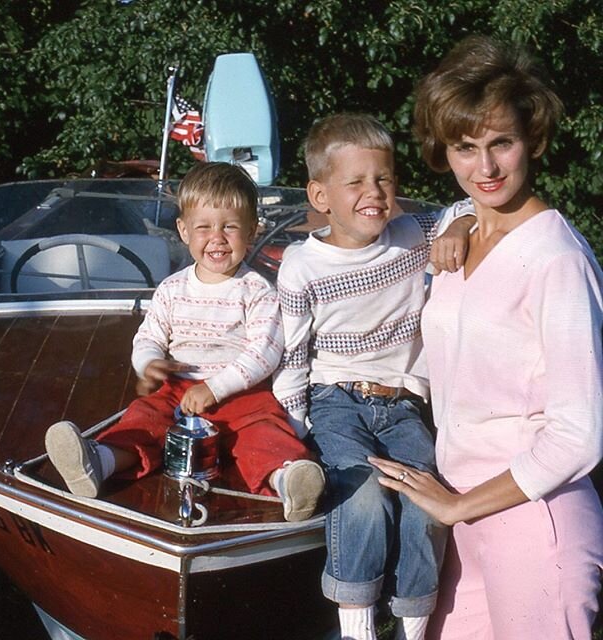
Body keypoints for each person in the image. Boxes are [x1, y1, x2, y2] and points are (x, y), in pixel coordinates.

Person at [370, 35, 603, 640]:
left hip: (534, 519)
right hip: (459, 516)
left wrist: (457, 507)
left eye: (502, 143)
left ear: (533, 140)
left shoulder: (557, 259)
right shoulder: (454, 223)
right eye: (465, 148)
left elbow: (580, 434)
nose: (487, 168)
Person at [272, 113, 476, 640]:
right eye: (357, 181)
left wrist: (456, 226)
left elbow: (471, 202)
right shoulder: (302, 265)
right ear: (321, 196)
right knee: (361, 495)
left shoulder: (412, 235)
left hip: (405, 402)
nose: (375, 192)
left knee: (426, 499)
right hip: (335, 398)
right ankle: (358, 627)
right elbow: (294, 353)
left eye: (385, 179)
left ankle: (413, 624)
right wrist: (294, 427)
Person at [45, 161, 325, 523]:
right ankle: (99, 462)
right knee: (145, 419)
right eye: (204, 227)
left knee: (264, 433)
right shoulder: (172, 289)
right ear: (183, 230)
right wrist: (149, 364)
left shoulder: (256, 290)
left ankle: (289, 480)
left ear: (252, 231)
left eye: (230, 227)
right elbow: (148, 336)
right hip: (177, 392)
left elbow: (264, 352)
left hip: (243, 393)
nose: (217, 238)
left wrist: (215, 387)